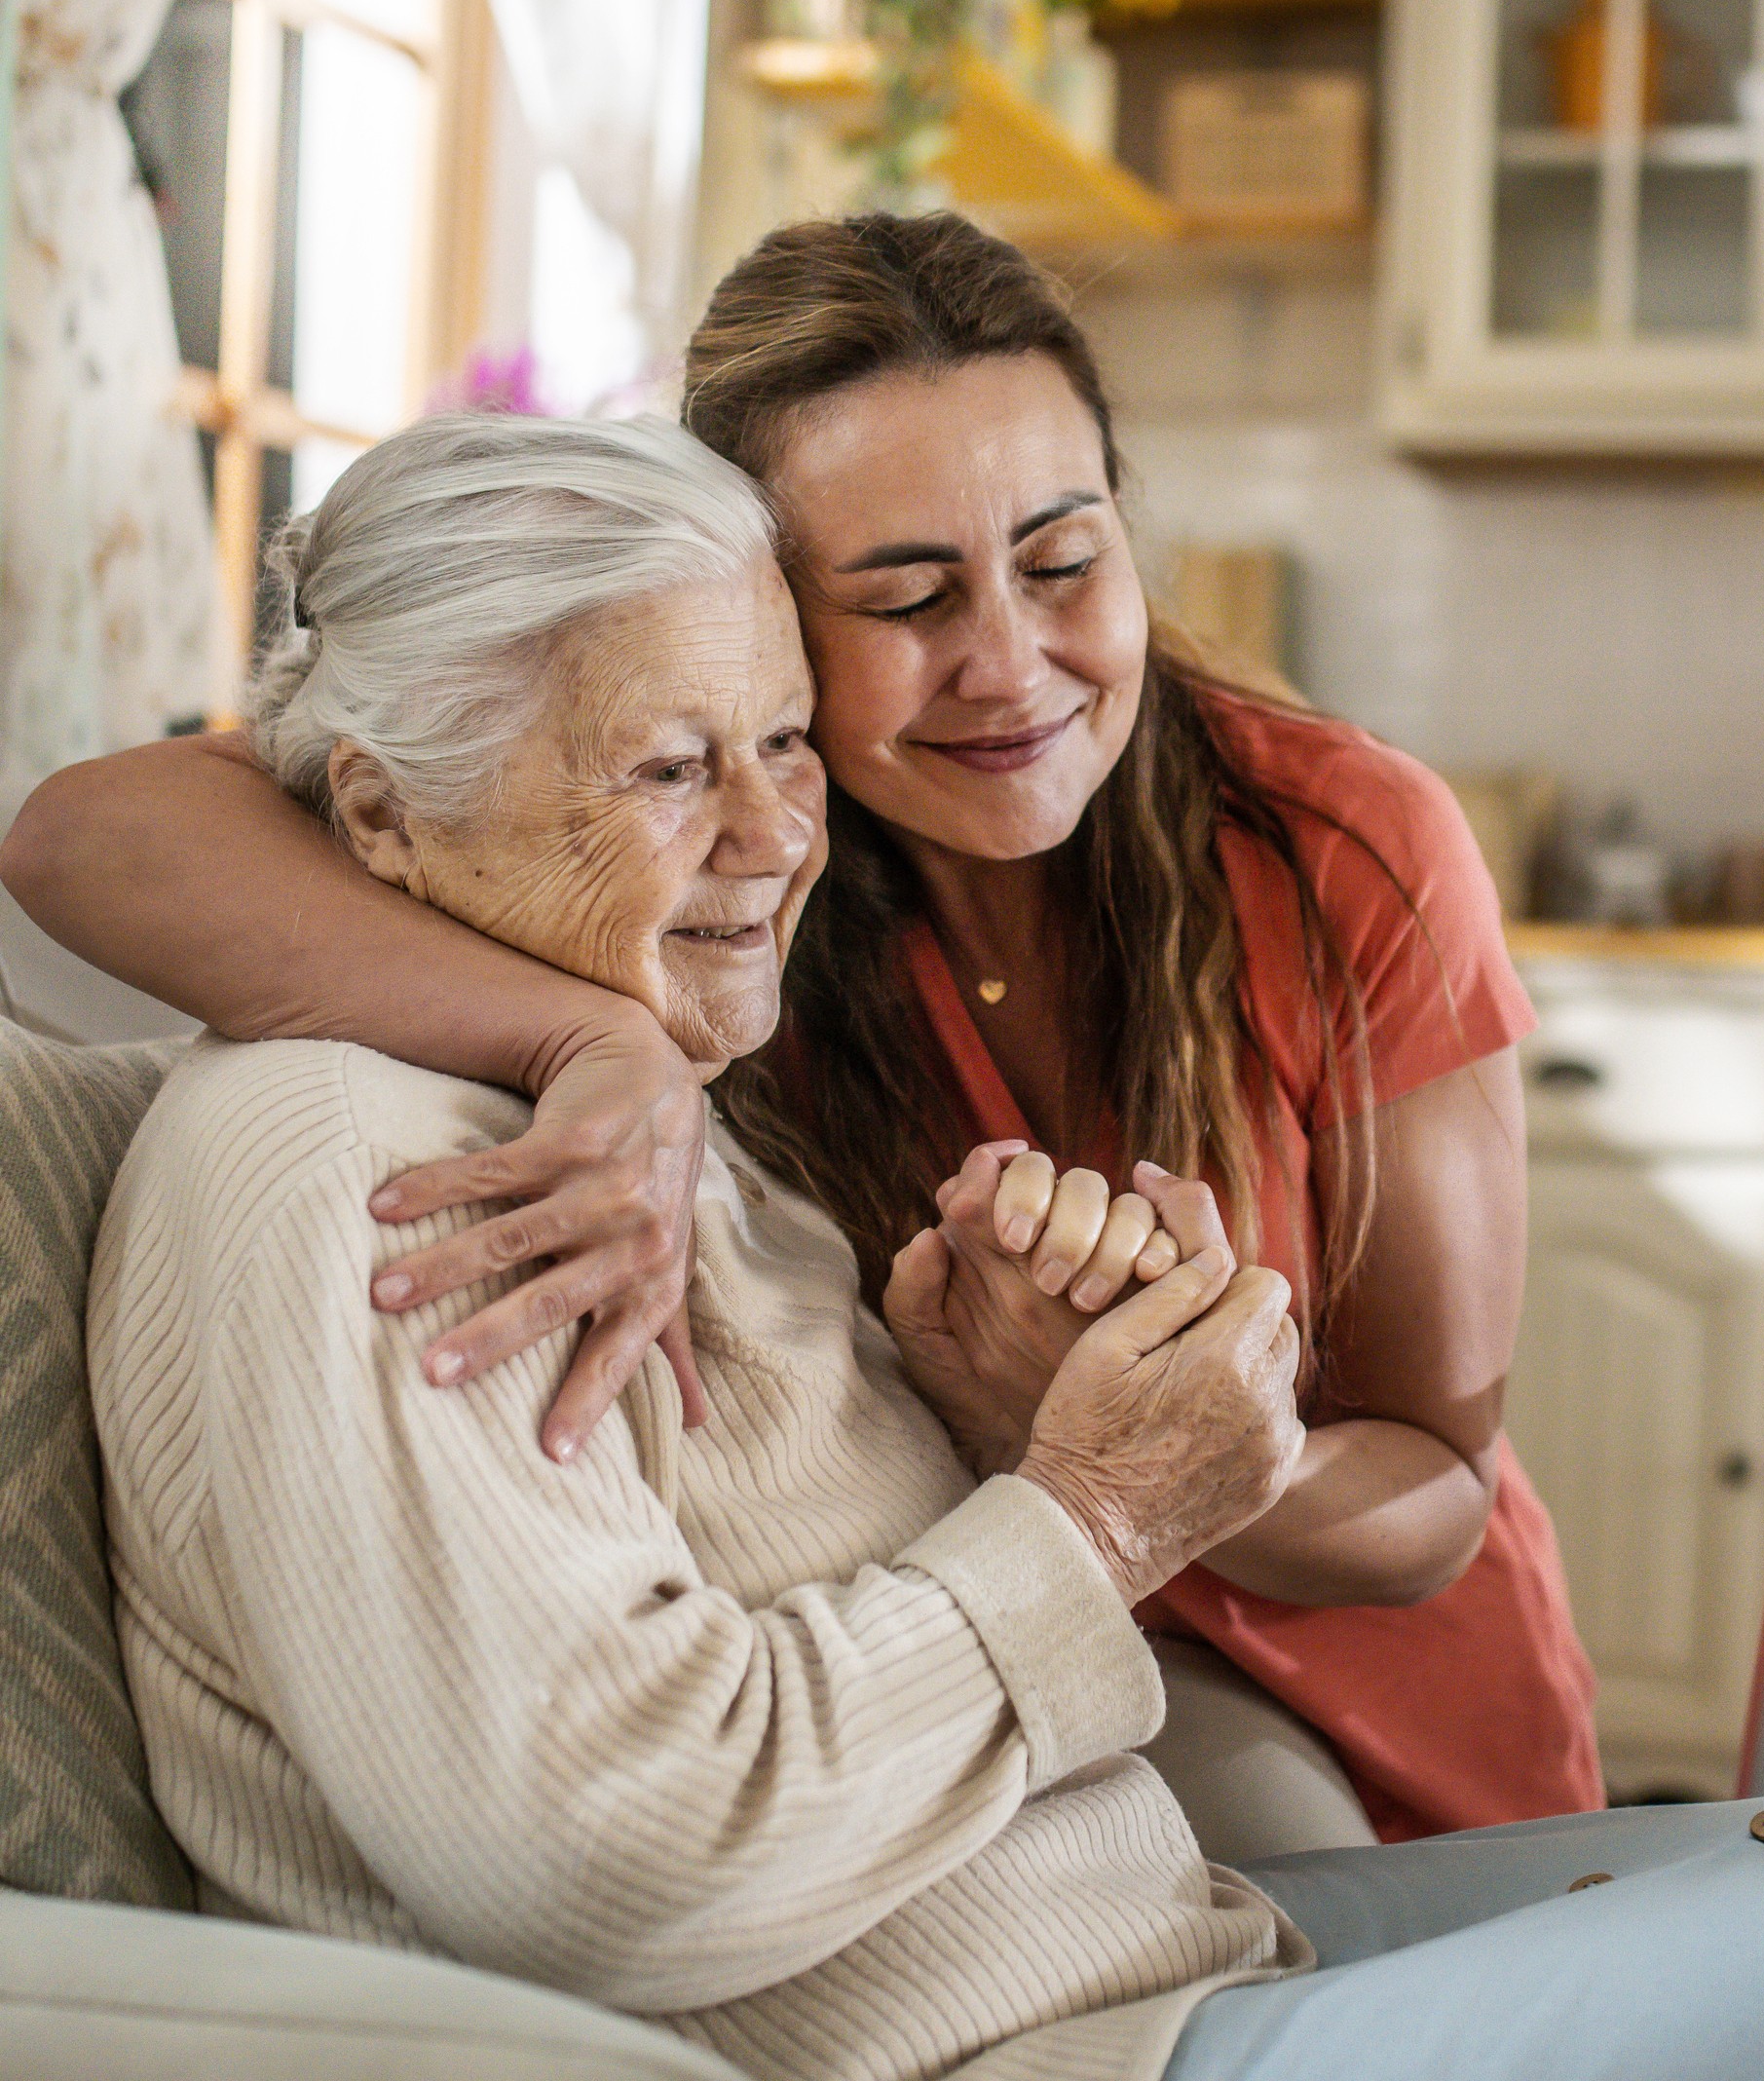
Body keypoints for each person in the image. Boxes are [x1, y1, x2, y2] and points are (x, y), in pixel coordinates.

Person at [69, 413, 1764, 2081]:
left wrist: (1017, 1410)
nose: (779, 834)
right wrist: (1090, 1507)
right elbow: (604, 1848)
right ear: (379, 813)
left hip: (1097, 2013)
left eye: (784, 744)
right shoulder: (369, 1178)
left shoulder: (624, 1106)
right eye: (667, 766)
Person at [5, 213, 1597, 1845]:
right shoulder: (729, 879)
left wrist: (1143, 1443)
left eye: (1064, 563)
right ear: (761, 608)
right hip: (994, 1695)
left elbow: (1438, 1495)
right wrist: (592, 1043)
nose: (1011, 665)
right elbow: (81, 839)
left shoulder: (1340, 848)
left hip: (1392, 1715)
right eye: (906, 595)